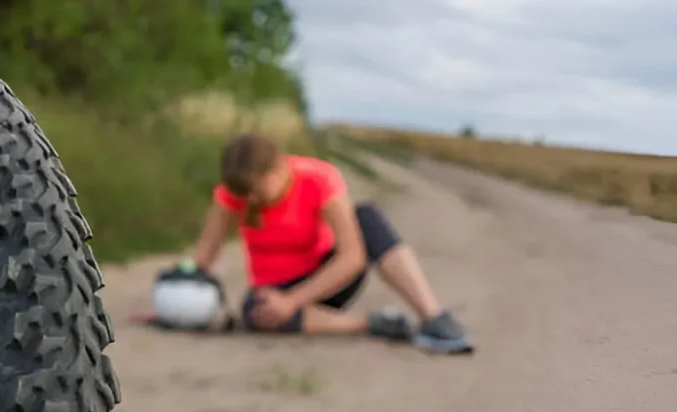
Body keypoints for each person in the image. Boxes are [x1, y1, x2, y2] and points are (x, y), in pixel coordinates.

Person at [186, 132, 473, 353]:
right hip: (274, 291)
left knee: (367, 217)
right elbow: (205, 256)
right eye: (241, 193)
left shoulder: (318, 178)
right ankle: (373, 325)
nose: (248, 200)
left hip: (328, 280)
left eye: (254, 191)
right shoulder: (231, 193)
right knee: (255, 311)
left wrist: (293, 301)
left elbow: (352, 257)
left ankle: (434, 318)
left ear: (276, 170)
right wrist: (179, 293)